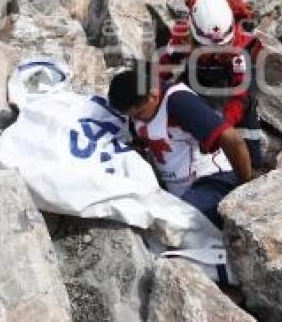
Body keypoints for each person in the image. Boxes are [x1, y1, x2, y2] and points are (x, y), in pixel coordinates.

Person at [107, 65, 252, 227]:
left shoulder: (178, 102)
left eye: (139, 113)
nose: (136, 119)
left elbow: (233, 140)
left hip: (212, 180)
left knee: (175, 222)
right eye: (131, 116)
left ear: (153, 95)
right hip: (178, 191)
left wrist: (244, 187)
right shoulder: (139, 109)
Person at [157, 0, 264, 166]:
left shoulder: (242, 48)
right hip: (197, 77)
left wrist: (221, 128)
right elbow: (163, 68)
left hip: (231, 79)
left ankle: (253, 164)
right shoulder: (182, 36)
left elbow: (241, 96)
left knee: (248, 111)